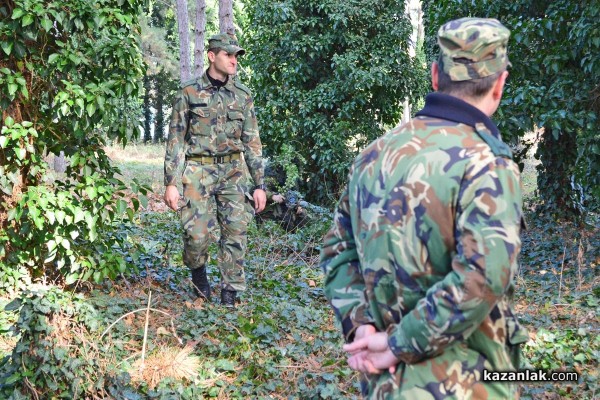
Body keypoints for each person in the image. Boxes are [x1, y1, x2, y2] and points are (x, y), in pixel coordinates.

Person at [319, 18, 529, 399]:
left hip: (385, 385)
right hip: (465, 386)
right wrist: (397, 344)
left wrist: (362, 326)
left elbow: (338, 249)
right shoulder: (487, 164)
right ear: (500, 84)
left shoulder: (374, 154)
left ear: (435, 76)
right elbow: (481, 278)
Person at [164, 33, 266, 308]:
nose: (234, 60)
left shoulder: (243, 96)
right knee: (196, 235)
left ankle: (229, 293)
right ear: (212, 56)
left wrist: (259, 184)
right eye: (228, 55)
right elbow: (175, 139)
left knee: (235, 231)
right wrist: (171, 182)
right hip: (198, 169)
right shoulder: (188, 92)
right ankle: (199, 275)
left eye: (236, 56)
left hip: (233, 171)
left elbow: (252, 141)